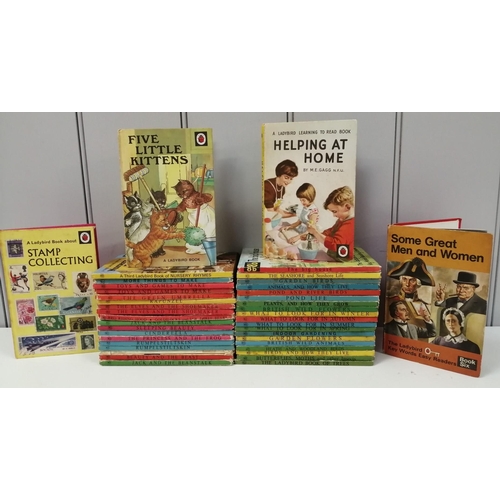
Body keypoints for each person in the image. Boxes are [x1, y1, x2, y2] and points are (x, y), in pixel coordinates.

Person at [306, 185, 354, 259]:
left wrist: (316, 233)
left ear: (347, 207)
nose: (334, 215)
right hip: (334, 256)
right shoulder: (343, 219)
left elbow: (335, 244)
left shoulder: (351, 224)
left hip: (343, 260)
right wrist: (316, 235)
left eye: (335, 211)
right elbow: (332, 231)